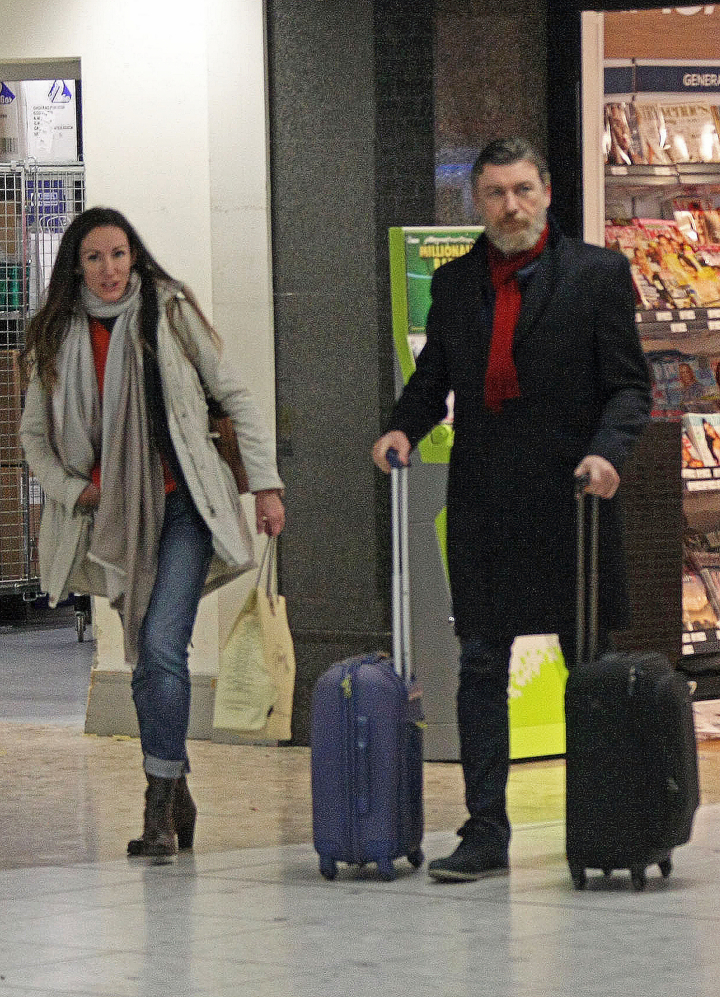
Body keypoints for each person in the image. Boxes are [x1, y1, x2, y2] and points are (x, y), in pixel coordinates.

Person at [372, 137, 651, 882]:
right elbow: (437, 376)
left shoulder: (597, 275)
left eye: (523, 190)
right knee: (480, 663)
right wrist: (402, 424)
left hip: (573, 500)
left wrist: (607, 452)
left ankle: (606, 821)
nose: (511, 206)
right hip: (486, 505)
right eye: (495, 193)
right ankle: (485, 829)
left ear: (548, 192)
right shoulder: (458, 282)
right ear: (477, 202)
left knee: (586, 664)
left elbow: (629, 385)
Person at [19, 207, 285, 858]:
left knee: (162, 644)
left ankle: (157, 809)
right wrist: (75, 489)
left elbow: (235, 397)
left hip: (184, 502)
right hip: (115, 516)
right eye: (94, 258)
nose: (109, 269)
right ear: (75, 265)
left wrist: (268, 484)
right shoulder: (57, 334)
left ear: (134, 256)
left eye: (119, 254)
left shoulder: (167, 311)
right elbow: (33, 437)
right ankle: (177, 788)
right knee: (146, 653)